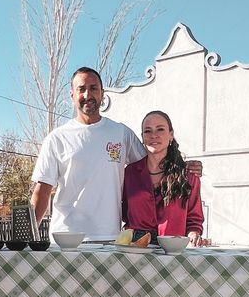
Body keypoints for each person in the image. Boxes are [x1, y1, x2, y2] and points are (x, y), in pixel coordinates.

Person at [30, 67, 146, 241]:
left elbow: (151, 167)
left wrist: (182, 167)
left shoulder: (121, 133)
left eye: (93, 88)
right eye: (81, 89)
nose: (87, 94)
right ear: (72, 95)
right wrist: (27, 235)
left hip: (110, 236)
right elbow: (42, 190)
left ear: (102, 93)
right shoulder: (57, 138)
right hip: (66, 238)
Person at [122, 111, 208, 246]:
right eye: (148, 131)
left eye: (160, 129)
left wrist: (193, 233)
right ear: (142, 137)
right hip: (135, 247)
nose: (154, 135)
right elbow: (124, 213)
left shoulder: (188, 175)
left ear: (171, 135)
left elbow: (194, 219)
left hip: (172, 247)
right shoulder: (129, 173)